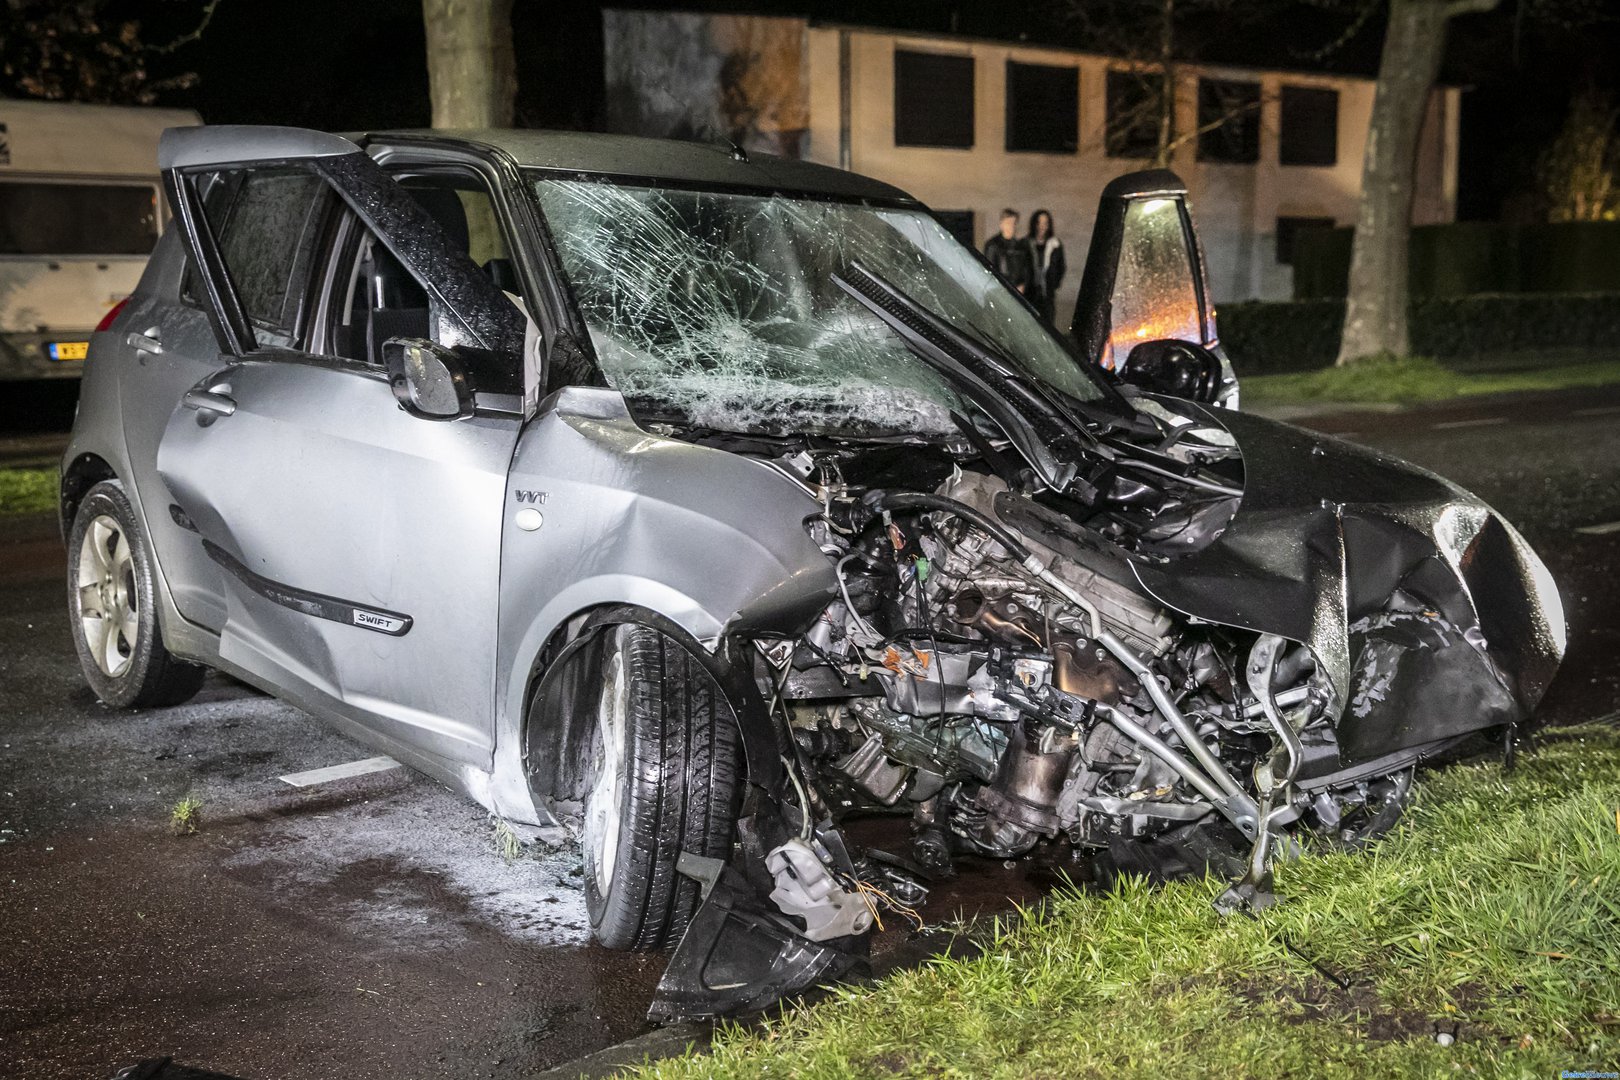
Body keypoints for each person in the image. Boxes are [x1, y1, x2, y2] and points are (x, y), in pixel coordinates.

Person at [1027, 208, 1066, 323]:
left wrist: (1054, 283)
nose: (1042, 226)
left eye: (1045, 223)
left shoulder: (1055, 244)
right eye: (1039, 222)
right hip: (1030, 293)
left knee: (1048, 323)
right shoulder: (1027, 243)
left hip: (1047, 293)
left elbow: (1061, 266)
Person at [983, 208, 1034, 296]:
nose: (1011, 226)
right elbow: (989, 270)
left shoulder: (1021, 247)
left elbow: (1027, 269)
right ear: (1001, 224)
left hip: (1018, 292)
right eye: (1008, 223)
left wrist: (1023, 285)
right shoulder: (993, 245)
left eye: (1014, 223)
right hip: (999, 291)